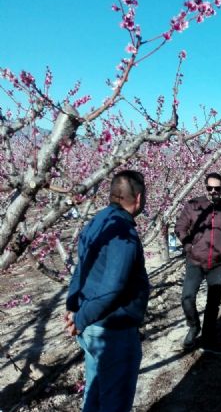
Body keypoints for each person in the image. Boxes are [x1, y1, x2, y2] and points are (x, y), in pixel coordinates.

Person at [64, 170, 149, 412]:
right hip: (112, 331)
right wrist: (79, 318)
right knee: (115, 400)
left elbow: (82, 267)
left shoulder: (98, 222)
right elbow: (112, 289)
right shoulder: (123, 235)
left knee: (95, 392)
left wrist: (73, 306)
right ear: (139, 198)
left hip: (94, 326)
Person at [175, 172, 221, 351]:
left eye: (217, 188)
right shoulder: (193, 206)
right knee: (187, 297)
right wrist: (189, 246)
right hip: (195, 260)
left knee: (213, 303)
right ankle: (193, 326)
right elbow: (180, 227)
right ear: (205, 187)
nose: (213, 191)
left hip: (218, 263)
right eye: (209, 188)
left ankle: (208, 336)